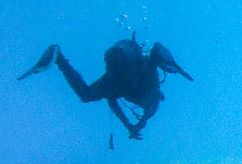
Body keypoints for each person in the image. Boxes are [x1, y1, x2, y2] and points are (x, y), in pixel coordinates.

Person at [20, 36, 192, 140]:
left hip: (116, 63)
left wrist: (130, 126)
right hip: (125, 62)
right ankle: (58, 58)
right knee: (88, 95)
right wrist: (178, 69)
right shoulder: (151, 89)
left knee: (86, 95)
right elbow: (156, 50)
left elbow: (111, 99)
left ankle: (58, 57)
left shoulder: (135, 93)